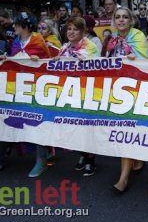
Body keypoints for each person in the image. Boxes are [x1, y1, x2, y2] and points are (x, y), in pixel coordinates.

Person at [0, 12, 51, 177]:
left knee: (37, 123)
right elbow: (16, 60)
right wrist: (6, 59)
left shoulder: (38, 41)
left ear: (26, 26)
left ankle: (42, 160)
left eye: (17, 24)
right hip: (18, 88)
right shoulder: (16, 42)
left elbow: (48, 64)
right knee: (6, 118)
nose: (13, 26)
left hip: (36, 89)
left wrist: (37, 61)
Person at [108, 7, 148, 193]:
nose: (121, 20)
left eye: (125, 17)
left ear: (131, 20)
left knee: (127, 130)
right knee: (124, 129)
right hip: (117, 90)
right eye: (118, 17)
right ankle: (138, 158)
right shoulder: (110, 40)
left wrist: (134, 59)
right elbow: (105, 62)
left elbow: (145, 60)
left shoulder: (138, 36)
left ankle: (123, 179)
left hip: (135, 89)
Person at [57, 17, 100, 176]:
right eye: (69, 29)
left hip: (87, 92)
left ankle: (91, 160)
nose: (71, 32)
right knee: (76, 126)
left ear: (82, 32)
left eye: (75, 29)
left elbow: (96, 67)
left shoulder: (91, 47)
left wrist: (79, 59)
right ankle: (82, 155)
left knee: (87, 127)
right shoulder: (64, 47)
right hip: (71, 92)